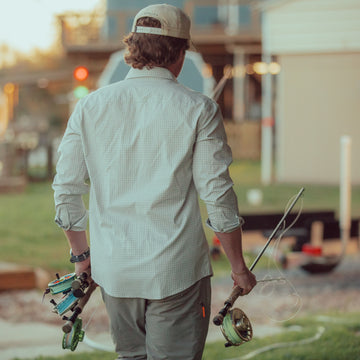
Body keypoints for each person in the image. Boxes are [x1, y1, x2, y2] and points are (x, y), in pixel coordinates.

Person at [52, 3, 256, 359]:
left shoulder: (89, 107)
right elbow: (219, 196)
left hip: (114, 270)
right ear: (179, 53)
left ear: (133, 48)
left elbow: (66, 190)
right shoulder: (199, 109)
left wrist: (82, 257)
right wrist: (238, 267)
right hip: (175, 272)